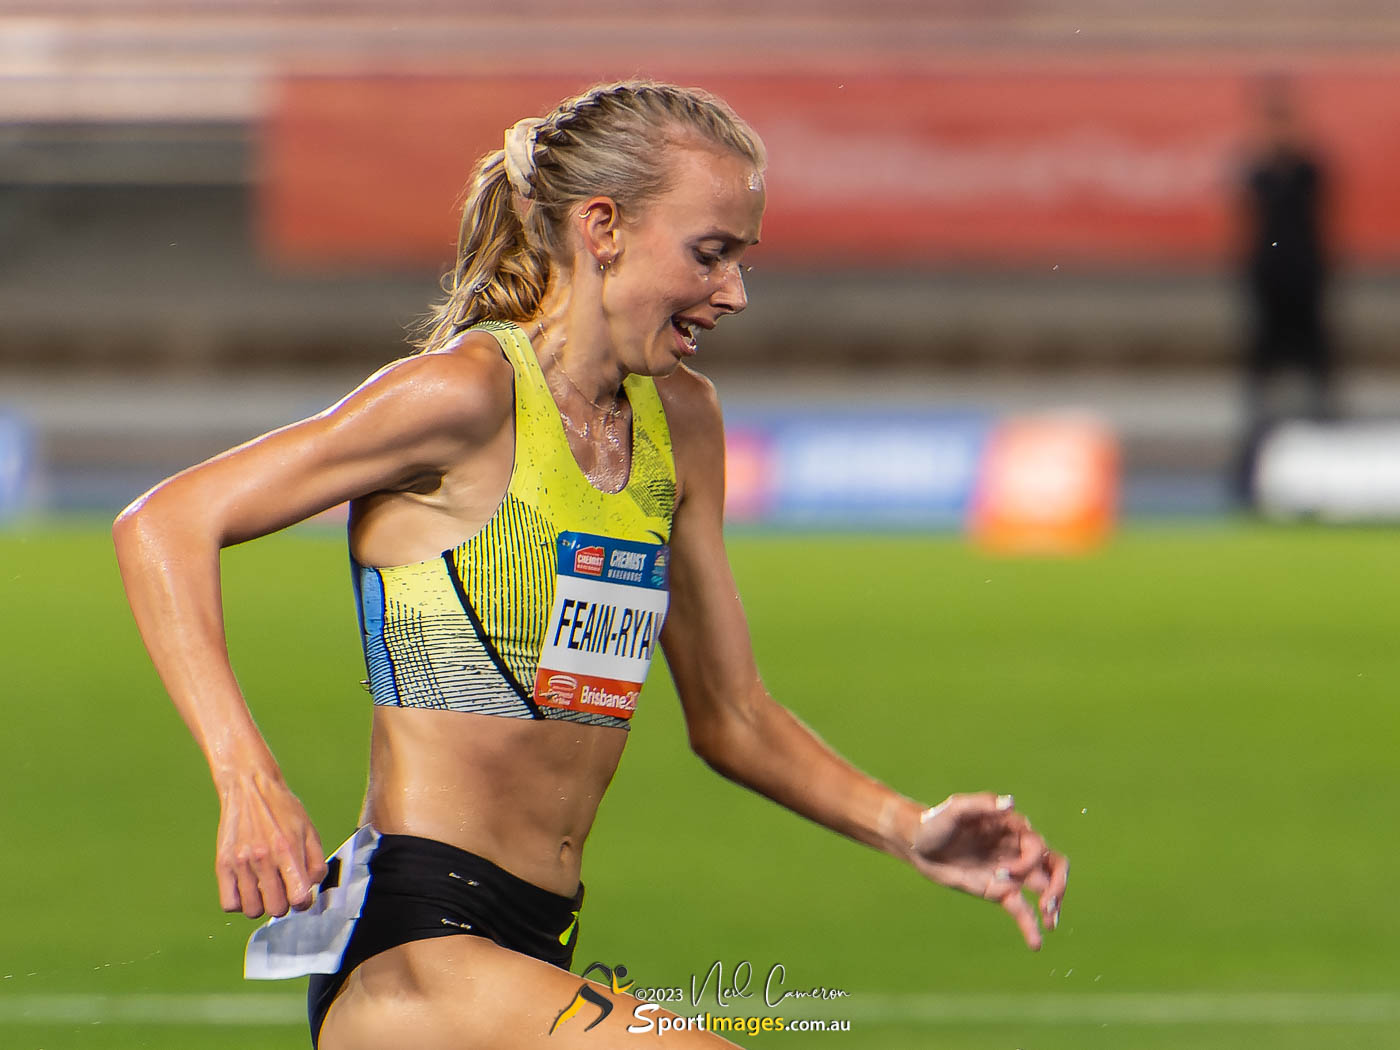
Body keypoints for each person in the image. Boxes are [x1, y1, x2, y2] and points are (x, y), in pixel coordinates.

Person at [114, 80, 1068, 1050]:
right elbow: (164, 524)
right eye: (710, 254)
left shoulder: (681, 424)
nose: (734, 293)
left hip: (537, 945)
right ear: (602, 228)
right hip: (415, 946)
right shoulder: (464, 398)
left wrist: (908, 827)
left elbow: (732, 715)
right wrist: (246, 778)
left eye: (741, 259)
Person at [1234, 75, 1337, 505]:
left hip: (1305, 282)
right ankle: (1253, 458)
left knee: (1317, 368)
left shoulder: (1309, 169)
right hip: (1268, 283)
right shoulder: (1257, 170)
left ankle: (1329, 451)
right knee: (1262, 374)